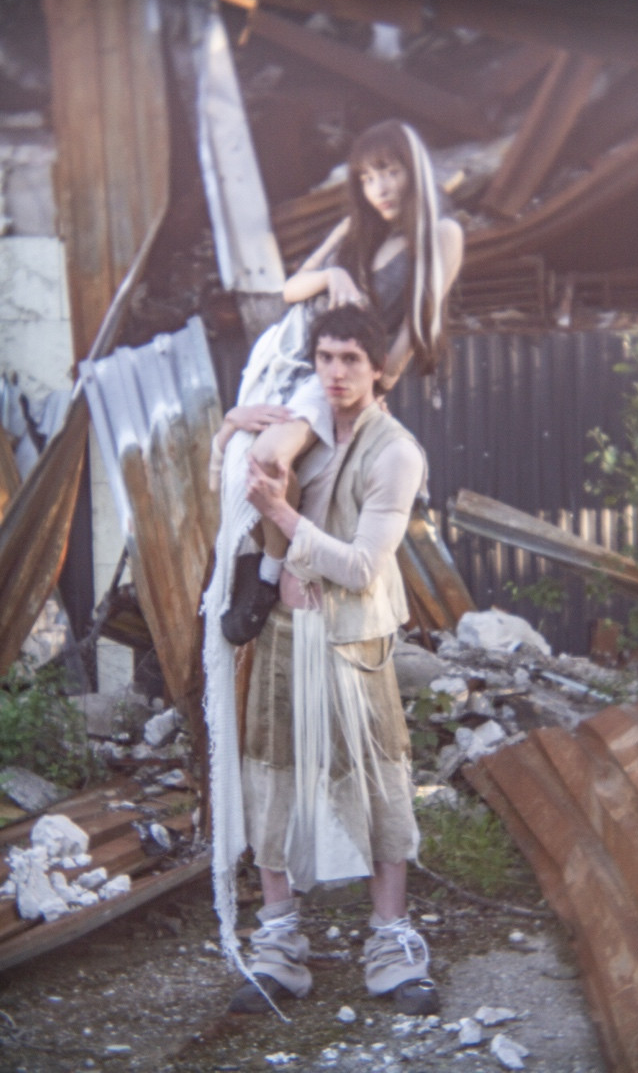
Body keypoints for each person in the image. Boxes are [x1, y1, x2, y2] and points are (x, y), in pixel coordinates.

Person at [204, 304, 439, 1018]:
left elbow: (364, 567)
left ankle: (392, 948)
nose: (336, 373)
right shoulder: (302, 424)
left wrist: (281, 514)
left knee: (375, 780)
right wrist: (229, 425)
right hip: (284, 631)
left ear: (379, 371)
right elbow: (232, 479)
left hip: (353, 638)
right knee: (272, 774)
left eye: (351, 361)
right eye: (326, 358)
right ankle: (279, 948)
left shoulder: (394, 452)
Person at [207, 118, 463, 603]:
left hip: (332, 371)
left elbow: (415, 328)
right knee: (236, 447)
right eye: (367, 177)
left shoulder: (442, 234)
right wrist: (333, 275)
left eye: (390, 172)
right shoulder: (356, 228)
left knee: (268, 456)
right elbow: (290, 289)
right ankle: (248, 562)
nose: (379, 188)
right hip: (284, 355)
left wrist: (376, 388)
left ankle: (268, 575)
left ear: (414, 170)